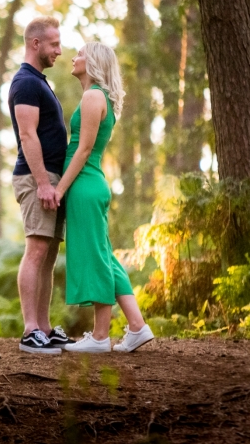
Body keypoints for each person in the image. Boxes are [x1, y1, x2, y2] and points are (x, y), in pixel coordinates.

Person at [54, 42, 154, 353]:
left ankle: (99, 337)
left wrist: (59, 189)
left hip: (84, 185)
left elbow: (83, 150)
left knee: (97, 258)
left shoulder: (93, 96)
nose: (73, 57)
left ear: (94, 62)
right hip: (90, 184)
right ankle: (137, 327)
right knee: (106, 257)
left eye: (80, 53)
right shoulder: (99, 97)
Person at [10, 17, 74, 354]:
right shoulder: (25, 83)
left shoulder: (40, 82)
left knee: (48, 255)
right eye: (54, 44)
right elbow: (27, 134)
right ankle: (30, 330)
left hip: (50, 178)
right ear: (36, 44)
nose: (59, 51)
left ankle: (45, 328)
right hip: (37, 178)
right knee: (36, 249)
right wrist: (42, 183)